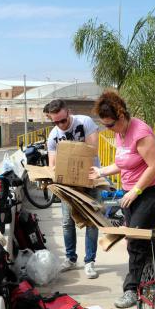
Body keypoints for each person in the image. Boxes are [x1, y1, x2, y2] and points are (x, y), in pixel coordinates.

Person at [89, 91, 155, 309]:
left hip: (150, 192)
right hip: (131, 192)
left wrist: (136, 192)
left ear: (122, 116)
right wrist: (102, 172)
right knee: (142, 238)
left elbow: (154, 166)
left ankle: (131, 289)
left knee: (135, 240)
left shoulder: (140, 132)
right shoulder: (119, 132)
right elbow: (125, 163)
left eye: (111, 124)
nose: (109, 129)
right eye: (106, 125)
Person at [43, 99, 101, 279]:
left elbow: (93, 151)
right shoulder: (53, 136)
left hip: (91, 180)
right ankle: (70, 258)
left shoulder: (85, 122)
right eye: (56, 122)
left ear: (69, 112)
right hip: (68, 185)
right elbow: (52, 165)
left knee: (91, 221)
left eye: (63, 120)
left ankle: (89, 261)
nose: (60, 125)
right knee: (67, 222)